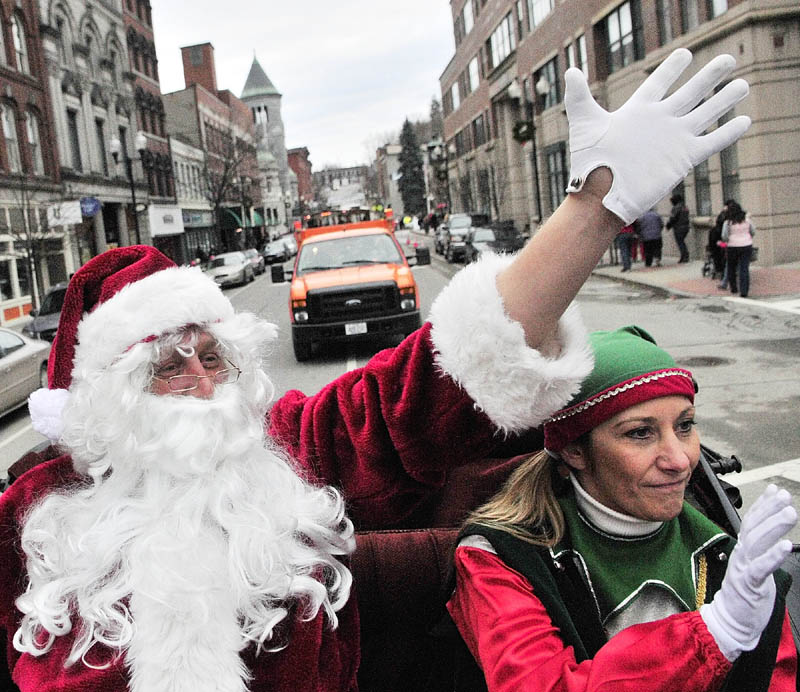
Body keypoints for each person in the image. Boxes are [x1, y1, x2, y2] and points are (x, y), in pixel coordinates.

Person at [0, 48, 752, 692]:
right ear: (107, 403)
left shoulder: (280, 453)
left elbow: (432, 384)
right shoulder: (36, 521)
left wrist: (595, 209)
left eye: (215, 357)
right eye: (168, 366)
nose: (203, 383)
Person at [447, 326, 797, 692]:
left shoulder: (724, 556)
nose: (680, 461)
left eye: (685, 425)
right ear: (574, 451)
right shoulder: (501, 557)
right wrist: (716, 631)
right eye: (640, 433)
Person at [722, 200, 755, 297]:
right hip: (746, 245)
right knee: (744, 268)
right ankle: (744, 291)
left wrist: (728, 240)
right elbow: (753, 231)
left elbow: (724, 236)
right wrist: (747, 237)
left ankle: (734, 288)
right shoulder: (747, 220)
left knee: (731, 267)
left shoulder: (728, 223)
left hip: (732, 246)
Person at [667, 193, 691, 263]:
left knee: (680, 242)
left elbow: (673, 218)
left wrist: (668, 225)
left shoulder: (676, 208)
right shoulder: (685, 207)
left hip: (679, 227)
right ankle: (685, 255)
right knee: (682, 242)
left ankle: (684, 256)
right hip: (686, 226)